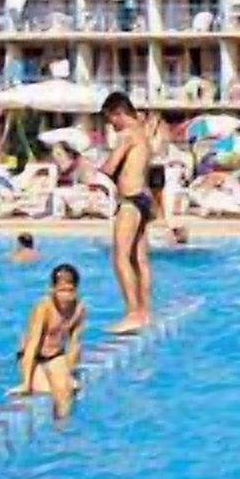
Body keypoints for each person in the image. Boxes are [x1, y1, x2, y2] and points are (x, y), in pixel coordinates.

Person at [99, 91, 153, 333]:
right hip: (143, 199)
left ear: (118, 113)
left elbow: (110, 167)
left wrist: (92, 170)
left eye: (110, 118)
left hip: (130, 200)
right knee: (139, 259)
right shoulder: (143, 133)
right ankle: (144, 311)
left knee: (119, 257)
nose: (110, 124)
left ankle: (132, 313)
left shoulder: (127, 134)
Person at [10, 263, 86, 420]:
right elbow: (32, 345)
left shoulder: (79, 309)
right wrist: (26, 383)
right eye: (61, 291)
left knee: (65, 391)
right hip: (34, 357)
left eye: (70, 291)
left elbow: (74, 344)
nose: (65, 297)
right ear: (52, 289)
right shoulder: (43, 308)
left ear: (76, 290)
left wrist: (69, 372)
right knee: (46, 391)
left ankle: (62, 426)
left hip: (56, 356)